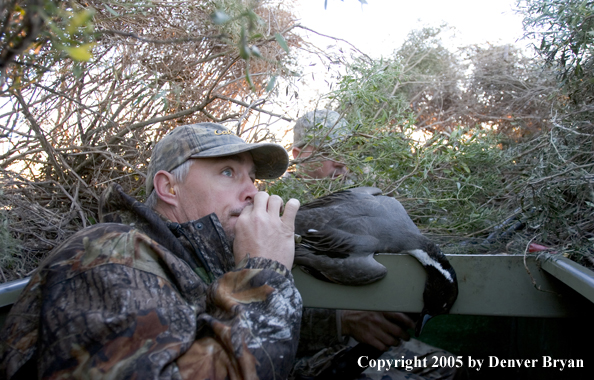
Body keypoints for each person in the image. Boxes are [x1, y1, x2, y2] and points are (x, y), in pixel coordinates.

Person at [0, 123, 302, 380]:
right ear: (169, 188)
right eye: (227, 172)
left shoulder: (193, 261)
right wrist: (264, 273)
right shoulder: (110, 253)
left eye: (251, 177)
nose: (253, 191)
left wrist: (338, 324)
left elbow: (207, 324)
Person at [290, 109, 457, 380]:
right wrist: (341, 320)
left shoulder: (366, 194)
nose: (342, 161)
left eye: (346, 148)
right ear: (298, 155)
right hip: (303, 351)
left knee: (450, 367)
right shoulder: (273, 206)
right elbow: (251, 313)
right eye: (329, 149)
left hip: (359, 341)